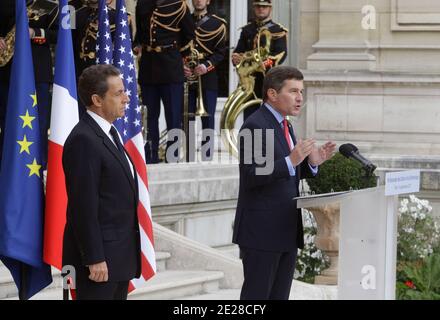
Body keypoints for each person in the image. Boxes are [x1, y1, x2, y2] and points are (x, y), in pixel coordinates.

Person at [232, 66, 336, 300]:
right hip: (262, 231)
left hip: (285, 230)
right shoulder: (255, 125)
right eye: (293, 91)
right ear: (272, 93)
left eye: (301, 91)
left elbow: (286, 173)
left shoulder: (285, 124)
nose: (300, 98)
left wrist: (311, 163)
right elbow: (252, 174)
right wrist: (292, 159)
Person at [62, 64, 141, 300]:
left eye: (125, 91)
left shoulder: (110, 133)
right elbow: (82, 207)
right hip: (95, 265)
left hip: (117, 259)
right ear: (97, 99)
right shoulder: (83, 139)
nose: (127, 98)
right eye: (118, 94)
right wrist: (94, 257)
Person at [0, 0, 59, 169]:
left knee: (38, 125)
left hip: (37, 72)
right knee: (7, 122)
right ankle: (7, 170)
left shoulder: (52, 5)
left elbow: (64, 34)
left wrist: (35, 32)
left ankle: (36, 171)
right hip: (7, 72)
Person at [135, 0, 195, 163]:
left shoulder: (179, 5)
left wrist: (175, 51)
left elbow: (189, 34)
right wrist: (137, 46)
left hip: (171, 66)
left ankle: (172, 156)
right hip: (149, 66)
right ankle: (150, 155)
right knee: (149, 116)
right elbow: (140, 34)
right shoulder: (142, 3)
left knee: (173, 116)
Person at [183, 0, 227, 161]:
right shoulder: (184, 19)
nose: (199, 1)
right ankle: (188, 155)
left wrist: (207, 65)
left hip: (207, 76)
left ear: (208, 1)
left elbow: (221, 52)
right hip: (187, 75)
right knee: (187, 117)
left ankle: (206, 156)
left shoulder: (218, 23)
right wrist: (183, 65)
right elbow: (178, 45)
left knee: (207, 118)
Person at [231, 0, 287, 121]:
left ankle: (268, 140)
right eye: (258, 7)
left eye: (264, 7)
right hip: (250, 81)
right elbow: (239, 51)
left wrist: (265, 63)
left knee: (270, 116)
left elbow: (281, 53)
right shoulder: (247, 30)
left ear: (270, 9)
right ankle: (250, 140)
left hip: (269, 79)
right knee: (250, 117)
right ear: (254, 8)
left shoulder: (277, 29)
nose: (261, 9)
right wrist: (236, 58)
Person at [72, 0, 117, 115]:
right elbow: (68, 46)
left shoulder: (116, 16)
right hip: (80, 72)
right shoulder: (74, 15)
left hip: (104, 74)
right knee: (80, 111)